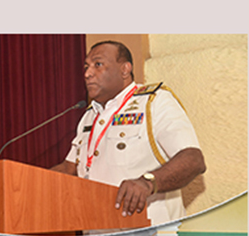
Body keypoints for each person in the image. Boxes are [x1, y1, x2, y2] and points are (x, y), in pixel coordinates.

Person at [49, 40, 205, 225]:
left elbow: (193, 159)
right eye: (86, 67)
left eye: (98, 65)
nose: (87, 73)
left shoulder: (154, 102)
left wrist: (148, 182)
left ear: (125, 69)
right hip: (98, 234)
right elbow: (69, 169)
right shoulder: (90, 115)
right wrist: (25, 185)